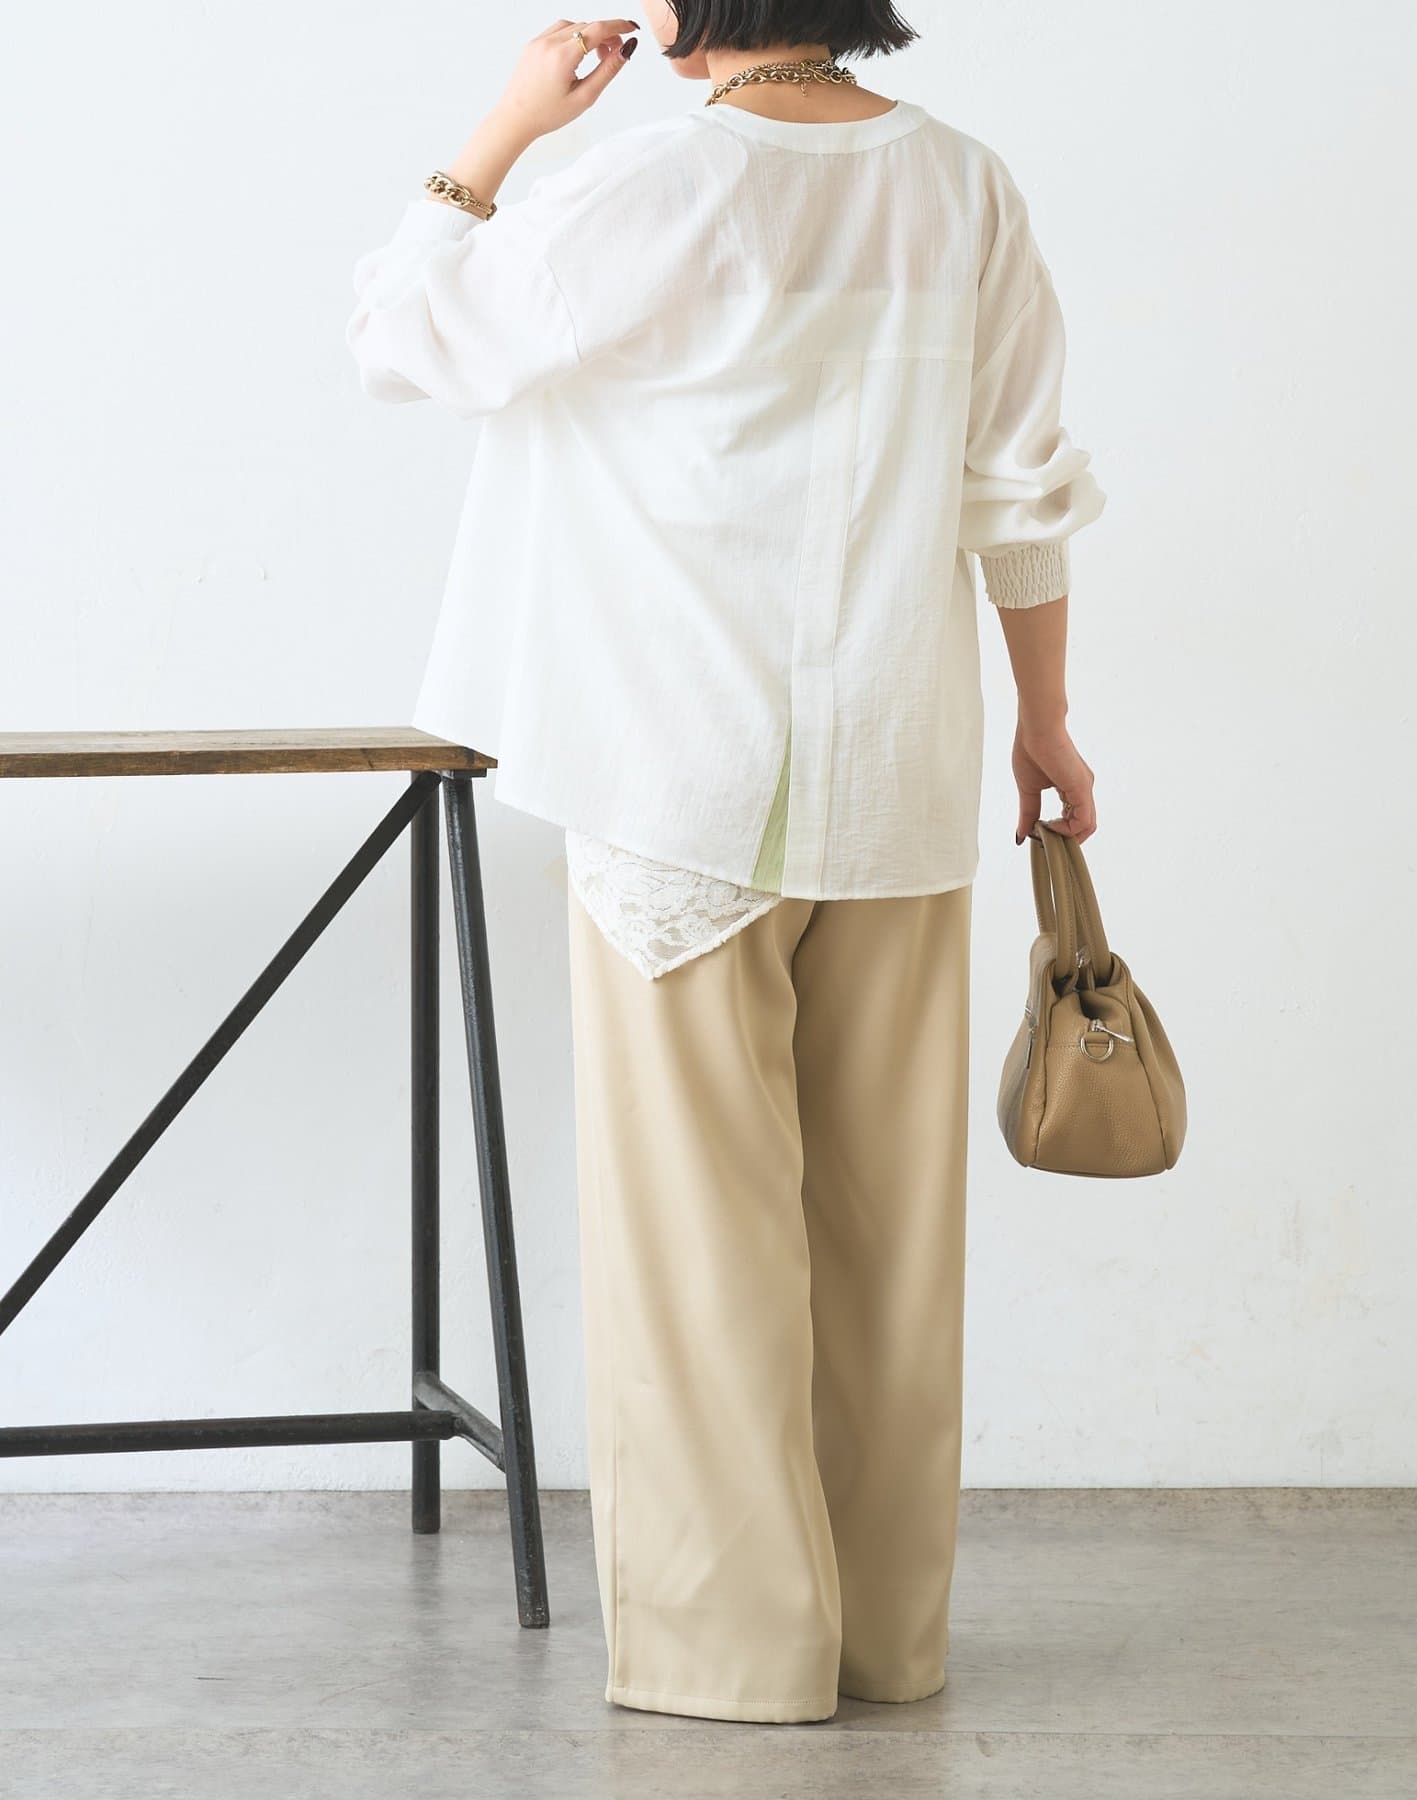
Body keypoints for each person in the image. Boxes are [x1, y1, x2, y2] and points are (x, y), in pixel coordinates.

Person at [348, 1, 1105, 1725]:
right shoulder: (963, 186)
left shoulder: (654, 186)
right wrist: (1047, 721)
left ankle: (736, 1656)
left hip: (677, 777)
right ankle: (884, 1639)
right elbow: (1018, 486)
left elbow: (404, 335)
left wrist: (504, 128)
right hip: (899, 771)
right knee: (888, 1242)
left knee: (700, 1243)